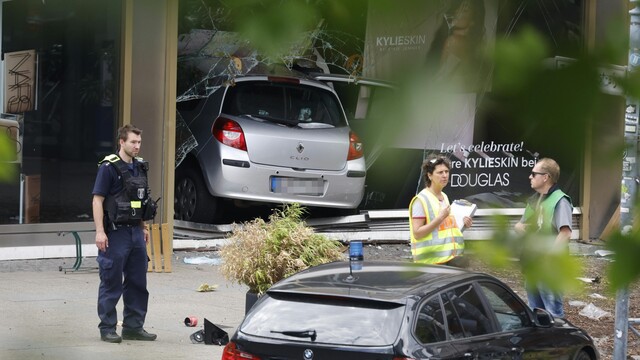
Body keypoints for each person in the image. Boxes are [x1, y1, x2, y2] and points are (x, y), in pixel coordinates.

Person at [92, 124, 157, 343]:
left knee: (138, 282)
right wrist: (100, 232)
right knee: (111, 282)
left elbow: (138, 201)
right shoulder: (108, 167)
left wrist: (143, 227)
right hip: (115, 233)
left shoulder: (140, 167)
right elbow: (97, 200)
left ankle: (133, 327)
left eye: (139, 142)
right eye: (133, 142)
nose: (137, 146)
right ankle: (108, 328)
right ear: (122, 142)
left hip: (135, 233)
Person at [514, 157, 572, 319]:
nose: (530, 177)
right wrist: (519, 228)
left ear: (545, 177)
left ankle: (558, 344)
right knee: (536, 313)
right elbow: (523, 226)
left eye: (534, 174)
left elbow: (565, 233)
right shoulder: (534, 200)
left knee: (553, 315)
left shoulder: (560, 201)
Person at [409, 156, 472, 266]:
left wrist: (462, 224)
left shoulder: (444, 197)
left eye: (446, 171)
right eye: (440, 172)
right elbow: (417, 233)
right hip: (432, 263)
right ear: (429, 175)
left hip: (451, 258)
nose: (445, 175)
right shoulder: (421, 200)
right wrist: (440, 218)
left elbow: (444, 229)